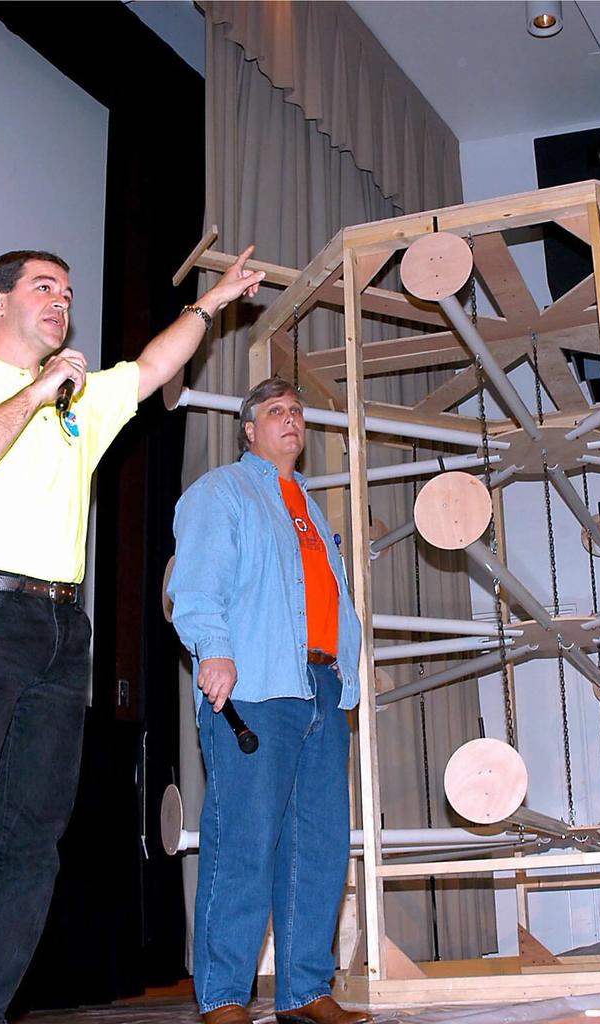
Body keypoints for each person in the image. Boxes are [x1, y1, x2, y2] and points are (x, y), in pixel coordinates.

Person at [0, 246, 264, 1024]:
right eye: (43, 287)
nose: (62, 301)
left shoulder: (81, 404)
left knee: (29, 845)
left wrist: (214, 303)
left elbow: (146, 368)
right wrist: (37, 392)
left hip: (63, 632)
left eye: (68, 292)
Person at [168, 377, 371, 1024]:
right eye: (276, 412)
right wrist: (212, 647)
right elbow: (196, 585)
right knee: (244, 841)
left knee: (319, 845)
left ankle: (306, 991)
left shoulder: (309, 508)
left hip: (321, 687)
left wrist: (346, 676)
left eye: (297, 412)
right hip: (254, 688)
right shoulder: (221, 492)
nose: (291, 420)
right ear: (249, 431)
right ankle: (225, 995)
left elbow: (328, 603)